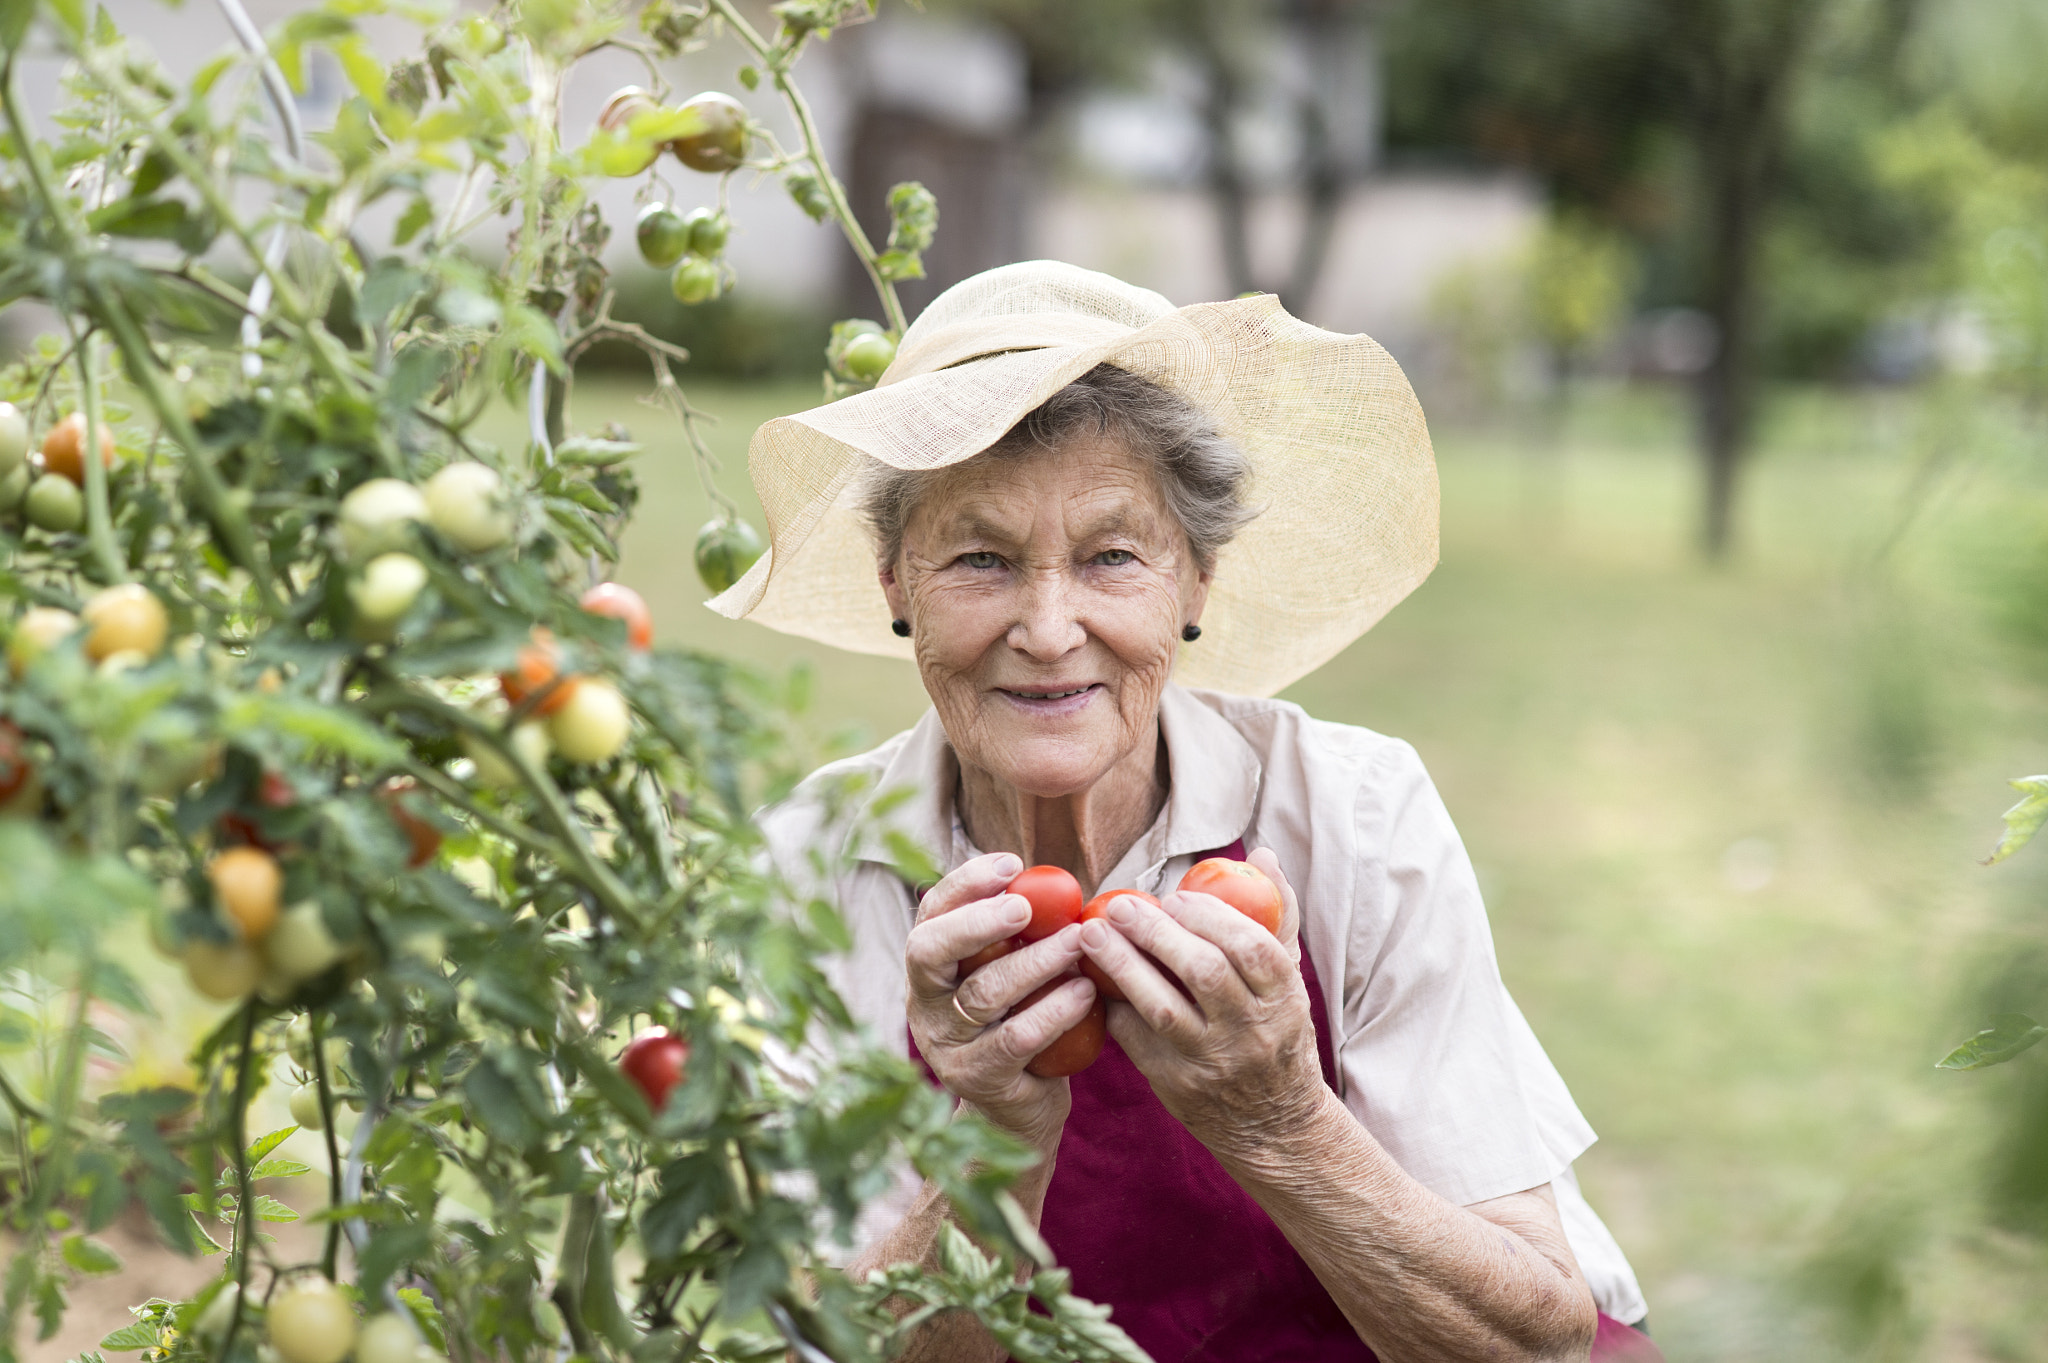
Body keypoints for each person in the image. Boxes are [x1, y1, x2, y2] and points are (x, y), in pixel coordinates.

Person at [721, 262, 1661, 1362]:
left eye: (1111, 556)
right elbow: (824, 1343)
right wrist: (989, 1142)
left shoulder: (1349, 814)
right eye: (979, 558)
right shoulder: (805, 869)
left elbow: (1529, 1344)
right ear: (893, 581)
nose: (1048, 627)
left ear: (1195, 578)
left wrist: (1282, 1125)